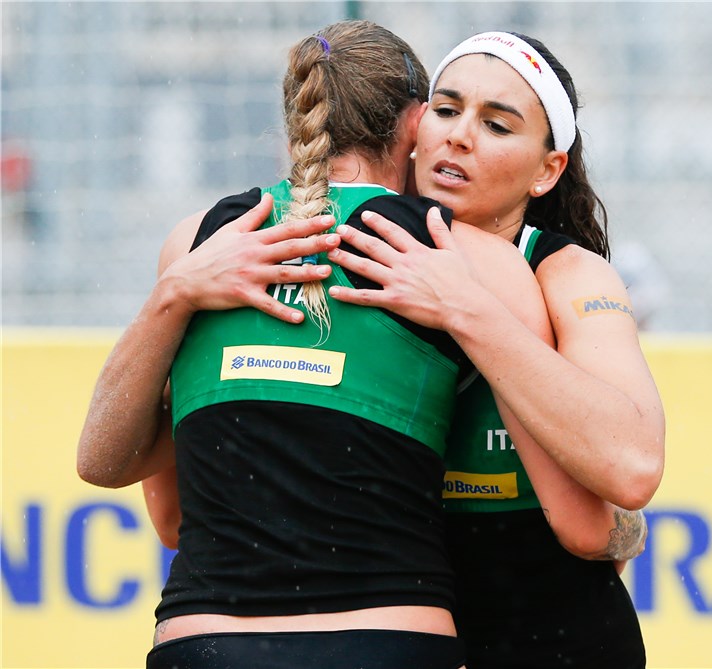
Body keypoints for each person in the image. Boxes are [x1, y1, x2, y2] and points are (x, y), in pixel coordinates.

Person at [76, 21, 617, 669]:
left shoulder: (201, 244)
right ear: (415, 125)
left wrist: (174, 295)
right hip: (386, 636)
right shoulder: (470, 259)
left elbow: (146, 499)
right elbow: (583, 524)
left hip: (207, 639)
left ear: (295, 127)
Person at [326, 32, 665, 669]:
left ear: (547, 171)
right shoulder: (341, 252)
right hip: (393, 638)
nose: (459, 136)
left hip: (552, 642)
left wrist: (467, 309)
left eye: (496, 124)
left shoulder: (569, 275)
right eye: (446, 110)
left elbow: (632, 466)